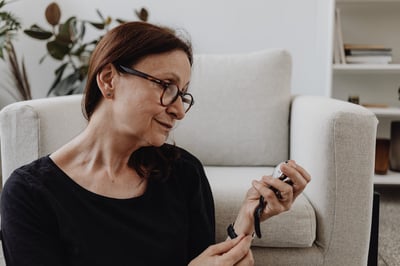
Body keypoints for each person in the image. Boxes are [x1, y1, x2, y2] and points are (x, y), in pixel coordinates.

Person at [0, 21, 310, 266]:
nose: (178, 110)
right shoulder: (29, 194)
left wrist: (246, 220)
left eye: (183, 94)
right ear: (109, 80)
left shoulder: (183, 173)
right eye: (166, 86)